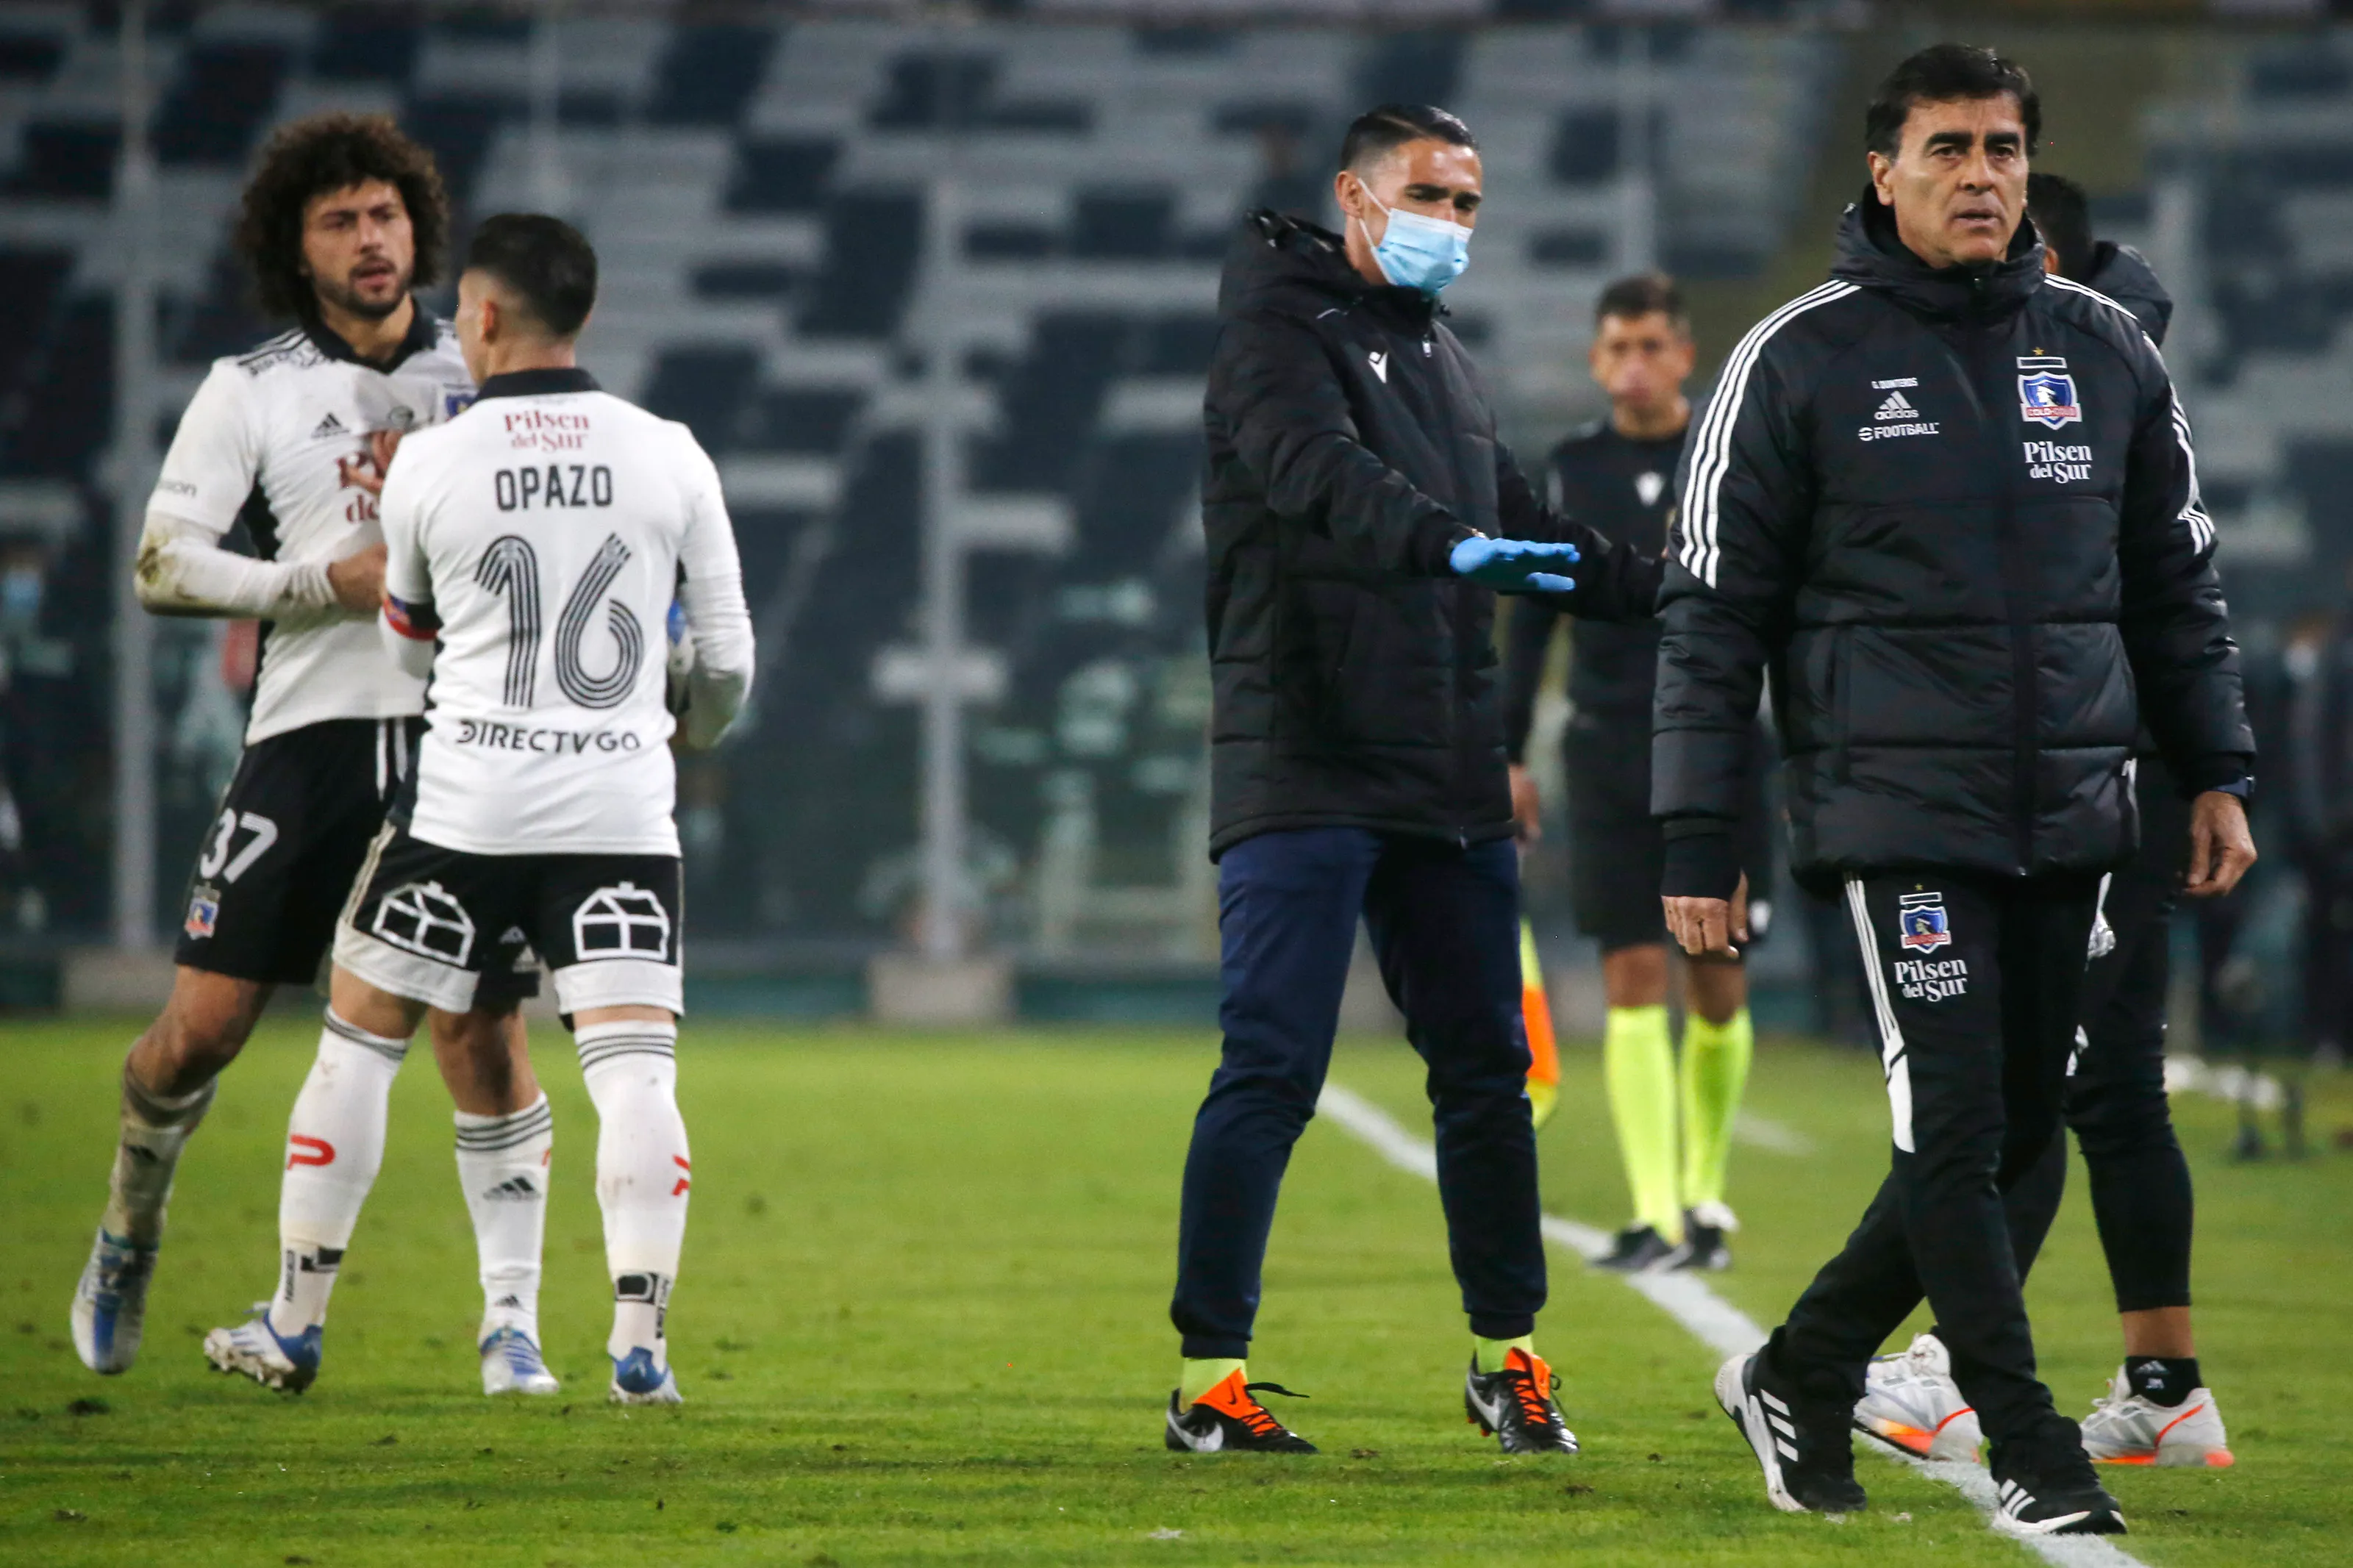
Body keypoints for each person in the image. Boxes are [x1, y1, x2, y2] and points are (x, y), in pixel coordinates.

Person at [1657, 46, 2254, 1537]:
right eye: (1946, 149)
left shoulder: (2109, 348)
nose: (1980, 173)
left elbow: (2174, 580)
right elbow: (1713, 613)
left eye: (2000, 148)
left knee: (2026, 1125)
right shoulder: (1793, 357)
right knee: (1952, 1124)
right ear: (1883, 171)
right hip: (1889, 806)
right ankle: (2037, 1453)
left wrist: (2220, 768)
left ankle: (1798, 1369)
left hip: (2072, 800)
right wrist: (1696, 831)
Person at [1170, 103, 1664, 1458]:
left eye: (1471, 203)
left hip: (1445, 776)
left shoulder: (1444, 357)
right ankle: (1210, 1378)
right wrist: (1447, 548)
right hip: (1306, 754)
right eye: (1435, 195)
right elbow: (1314, 476)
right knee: (1272, 1067)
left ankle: (1509, 1362)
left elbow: (1531, 527)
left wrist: (1681, 589)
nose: (1456, 223)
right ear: (1356, 194)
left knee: (1489, 1076)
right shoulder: (1275, 331)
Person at [200, 214, 754, 1404]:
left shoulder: (433, 462)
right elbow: (728, 660)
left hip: (466, 812)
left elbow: (406, 647)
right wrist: (680, 730)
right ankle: (639, 1349)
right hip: (618, 814)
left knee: (359, 1041)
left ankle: (294, 1322)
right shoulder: (671, 452)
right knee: (635, 1074)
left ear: (484, 319)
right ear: (587, 315)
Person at [69, 114, 556, 1397]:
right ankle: (129, 1225)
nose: (372, 239)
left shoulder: (483, 375)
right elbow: (163, 563)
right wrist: (319, 580)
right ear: (299, 249)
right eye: (340, 221)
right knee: (203, 1031)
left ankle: (512, 1325)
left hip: (465, 741)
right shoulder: (255, 386)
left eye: (387, 214)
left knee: (483, 1030)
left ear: (420, 227)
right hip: (310, 739)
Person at [1855, 171, 2235, 1469]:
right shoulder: (2105, 362)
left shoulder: (2074, 365)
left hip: (2090, 778)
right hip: (2123, 767)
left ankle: (1954, 1372)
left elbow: (2160, 590)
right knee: (2108, 1086)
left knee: (2033, 1080)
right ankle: (2167, 1385)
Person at [1502, 273, 1772, 1274]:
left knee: (1718, 983)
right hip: (1610, 747)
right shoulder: (1569, 469)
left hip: (1724, 745)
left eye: (1652, 345)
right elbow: (1529, 618)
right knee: (1630, 975)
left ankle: (1704, 1198)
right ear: (1594, 358)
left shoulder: (1734, 457)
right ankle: (1660, 1215)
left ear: (1684, 355)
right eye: (1617, 347)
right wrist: (1509, 751)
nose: (1634, 365)